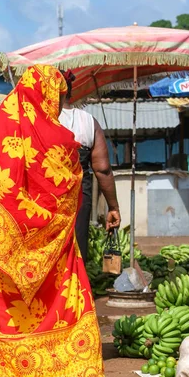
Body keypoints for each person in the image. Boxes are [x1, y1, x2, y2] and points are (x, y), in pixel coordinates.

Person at [0, 65, 110, 377]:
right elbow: (74, 189)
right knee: (47, 319)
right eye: (58, 97)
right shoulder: (63, 141)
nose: (59, 105)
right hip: (54, 252)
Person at [59, 72, 120, 263]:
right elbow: (102, 169)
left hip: (43, 199)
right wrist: (113, 207)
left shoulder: (38, 118)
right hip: (78, 198)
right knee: (76, 252)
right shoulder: (86, 121)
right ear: (70, 91)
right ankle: (75, 290)